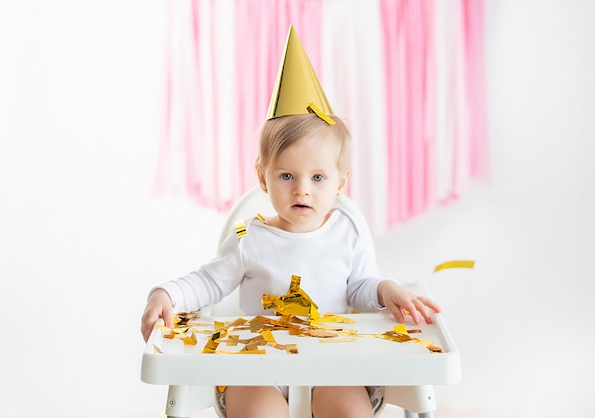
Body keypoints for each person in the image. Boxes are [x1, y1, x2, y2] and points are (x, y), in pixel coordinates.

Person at [141, 25, 441, 418]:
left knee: (352, 412)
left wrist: (388, 290)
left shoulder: (347, 230)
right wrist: (164, 295)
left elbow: (362, 284)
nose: (302, 190)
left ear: (340, 183)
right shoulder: (249, 236)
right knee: (259, 413)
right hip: (258, 367)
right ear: (263, 177)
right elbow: (209, 281)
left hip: (334, 361)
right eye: (287, 176)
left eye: (318, 178)